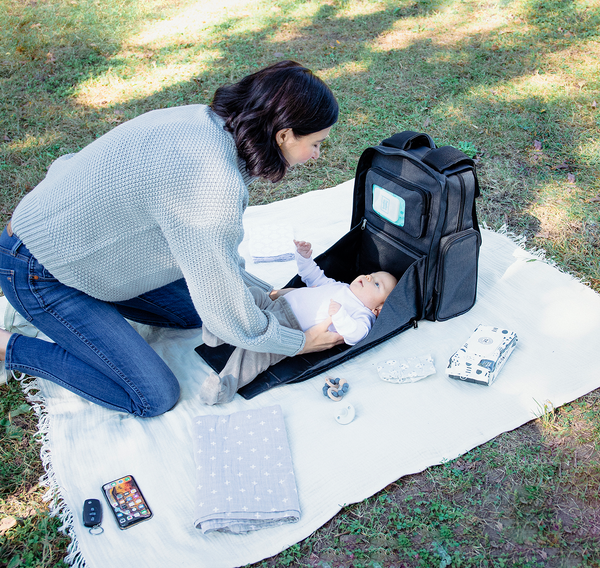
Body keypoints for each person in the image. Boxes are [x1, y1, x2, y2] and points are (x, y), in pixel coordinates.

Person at [0, 61, 344, 417]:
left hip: (71, 245)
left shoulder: (201, 121)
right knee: (153, 396)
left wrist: (261, 293)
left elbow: (212, 261)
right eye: (316, 143)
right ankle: (10, 347)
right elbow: (229, 315)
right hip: (36, 269)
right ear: (284, 134)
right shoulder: (213, 183)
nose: (317, 155)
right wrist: (298, 342)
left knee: (193, 312)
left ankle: (96, 310)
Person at [199, 239, 398, 405]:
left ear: (377, 309)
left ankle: (222, 388)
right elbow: (313, 277)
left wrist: (340, 316)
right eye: (371, 275)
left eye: (377, 284)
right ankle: (216, 331)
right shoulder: (341, 287)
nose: (369, 278)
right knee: (252, 296)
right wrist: (304, 258)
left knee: (253, 355)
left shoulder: (363, 315)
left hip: (289, 329)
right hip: (276, 302)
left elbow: (357, 335)